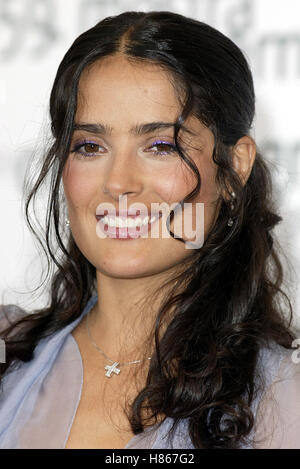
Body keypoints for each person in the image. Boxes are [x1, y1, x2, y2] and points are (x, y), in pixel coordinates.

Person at [0, 10, 299, 449]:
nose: (119, 182)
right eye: (90, 146)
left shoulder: (284, 398)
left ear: (235, 168)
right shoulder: (10, 355)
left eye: (160, 146)